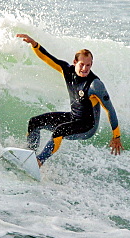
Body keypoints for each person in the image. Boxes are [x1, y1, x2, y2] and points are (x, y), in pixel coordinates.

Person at [16, 33, 122, 166]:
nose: (85, 69)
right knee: (34, 122)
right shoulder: (67, 70)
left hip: (87, 127)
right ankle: (29, 154)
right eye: (82, 64)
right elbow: (48, 58)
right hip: (73, 117)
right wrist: (34, 44)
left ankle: (38, 162)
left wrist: (116, 136)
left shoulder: (95, 85)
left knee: (59, 131)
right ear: (75, 62)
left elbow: (110, 109)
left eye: (88, 65)